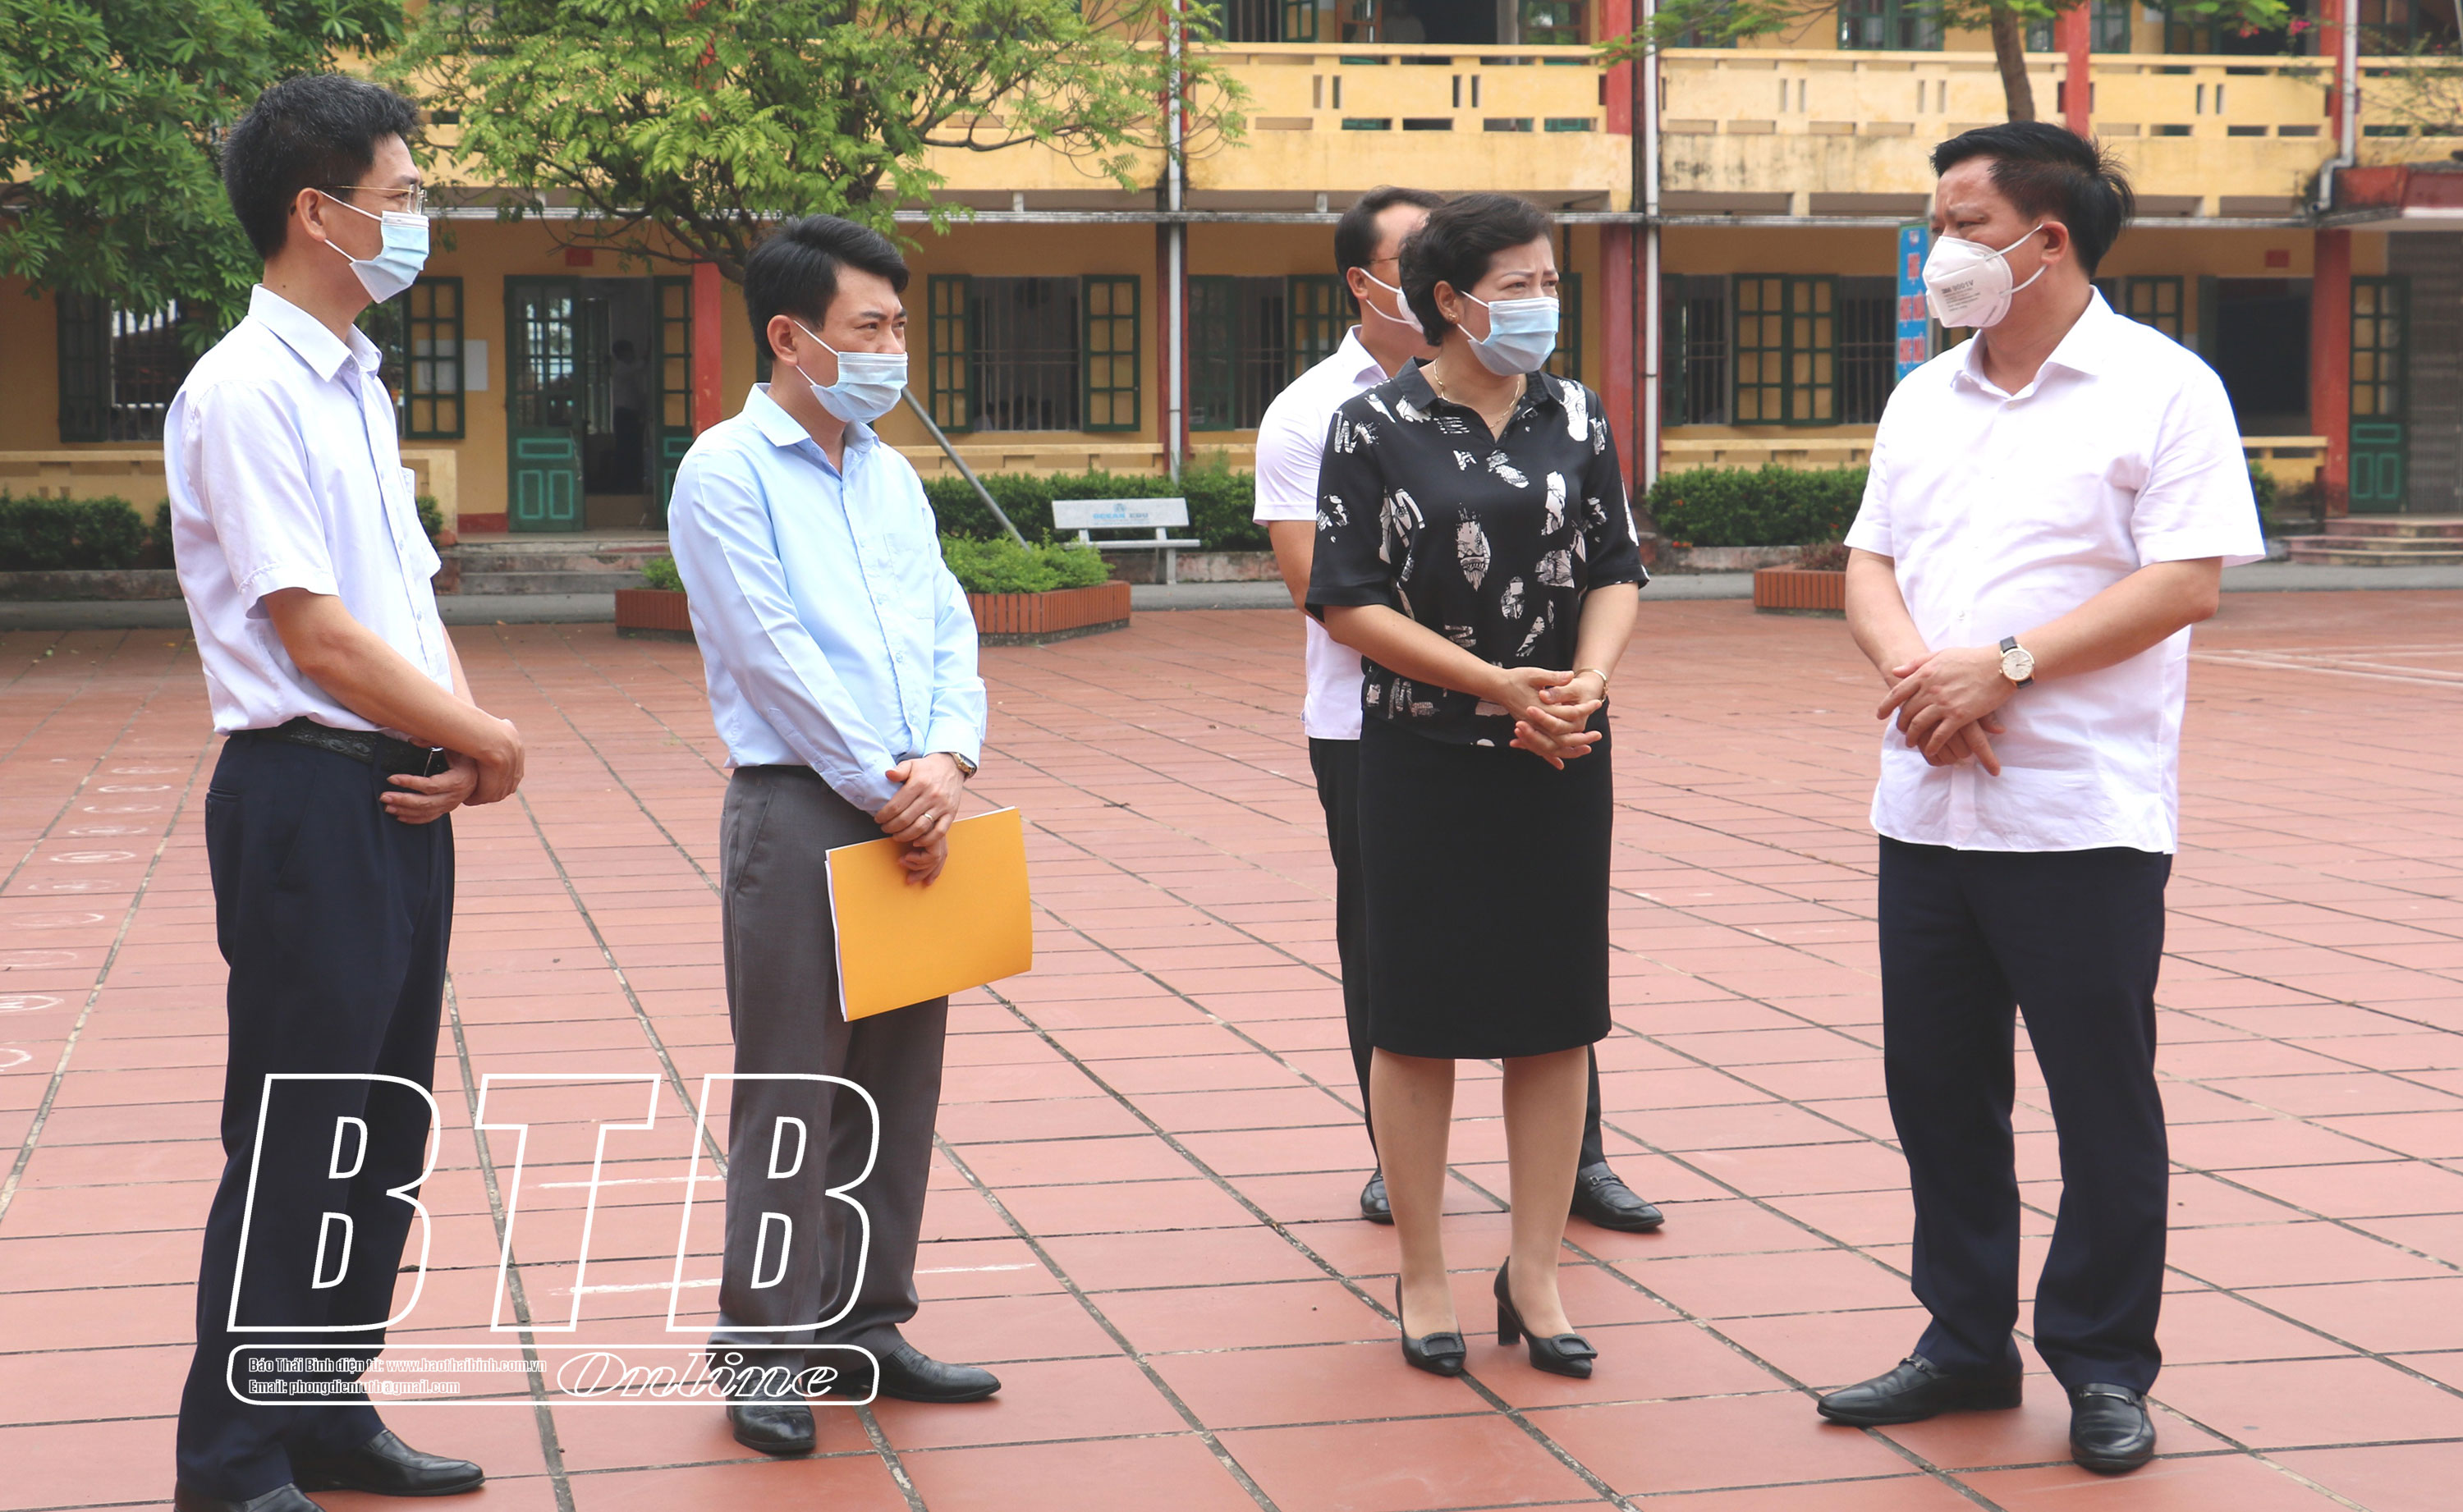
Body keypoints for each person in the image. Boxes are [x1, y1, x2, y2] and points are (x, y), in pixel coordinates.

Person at [1820, 122, 2263, 1475]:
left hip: (2081, 817)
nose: (1938, 249)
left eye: (1961, 224)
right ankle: (1965, 1337)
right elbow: (1869, 561)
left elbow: (2185, 580)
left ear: (2045, 238)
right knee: (1939, 1093)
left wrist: (2004, 665)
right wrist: (1923, 677)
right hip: (1927, 808)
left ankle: (2106, 1362)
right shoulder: (1925, 397)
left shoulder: (2162, 388)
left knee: (2099, 1101)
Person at [167, 75, 526, 1512]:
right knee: (296, 1133)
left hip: (392, 790)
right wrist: (491, 739)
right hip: (305, 797)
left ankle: (323, 1405)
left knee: (378, 1129)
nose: (420, 217)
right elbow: (313, 635)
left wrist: (457, 741)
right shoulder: (245, 389)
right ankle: (233, 1458)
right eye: (403, 193)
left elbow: (399, 609)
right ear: (319, 211)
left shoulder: (354, 382)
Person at [1254, 188, 1663, 1236]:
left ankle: (1546, 1242)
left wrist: (1587, 681)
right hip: (1410, 741)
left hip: (1557, 738)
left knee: (1556, 1001)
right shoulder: (1353, 421)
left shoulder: (1575, 412)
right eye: (1517, 285)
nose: (1542, 303)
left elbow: (1612, 565)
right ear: (1445, 298)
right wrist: (1493, 682)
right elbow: (1338, 595)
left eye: (1550, 282)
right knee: (1412, 997)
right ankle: (1419, 1243)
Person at [665, 214, 996, 1458]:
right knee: (795, 1088)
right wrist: (887, 787)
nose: (892, 348)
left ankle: (866, 1320)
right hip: (803, 805)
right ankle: (764, 1345)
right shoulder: (725, 472)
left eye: (900, 326)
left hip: (913, 803)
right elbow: (772, 654)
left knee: (898, 1084)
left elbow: (948, 624)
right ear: (790, 337)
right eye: (871, 326)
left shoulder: (889, 474)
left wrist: (949, 759)